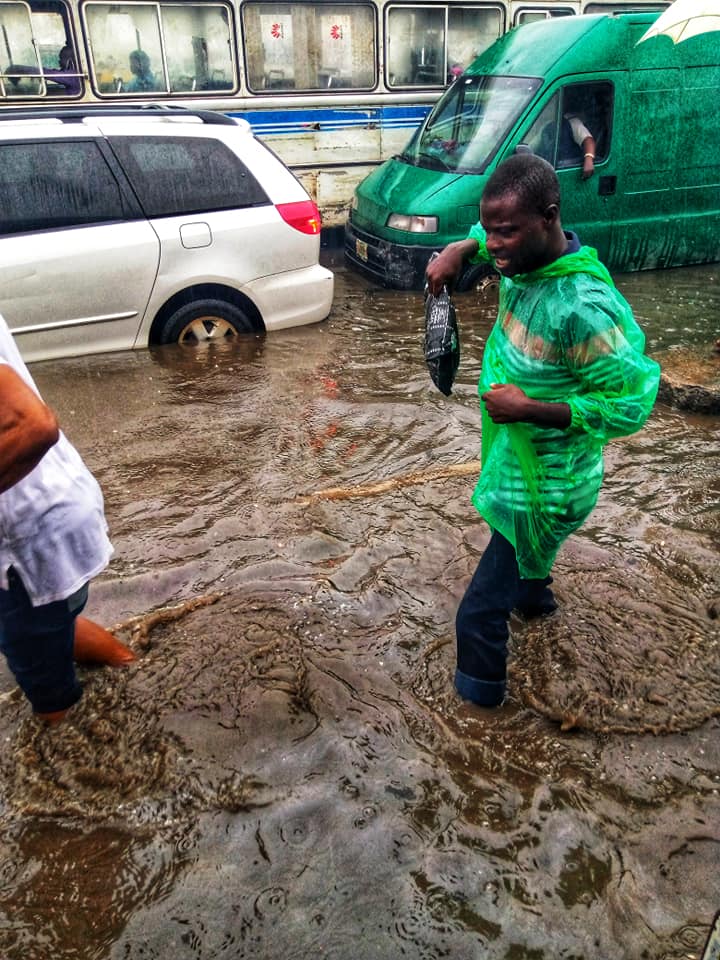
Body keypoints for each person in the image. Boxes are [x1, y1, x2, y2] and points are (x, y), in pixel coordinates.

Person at [425, 153, 660, 709]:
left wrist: (530, 408)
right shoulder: (525, 263)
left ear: (549, 217)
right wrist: (461, 249)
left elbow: (631, 404)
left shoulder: (582, 308)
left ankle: (481, 724)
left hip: (548, 485)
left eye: (504, 232)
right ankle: (540, 611)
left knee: (478, 615)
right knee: (526, 580)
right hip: (522, 460)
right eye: (488, 229)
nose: (494, 244)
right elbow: (489, 240)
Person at [0, 313, 134, 724]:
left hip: (25, 541)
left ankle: (78, 765)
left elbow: (34, 425)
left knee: (53, 709)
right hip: (51, 511)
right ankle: (134, 668)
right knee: (55, 623)